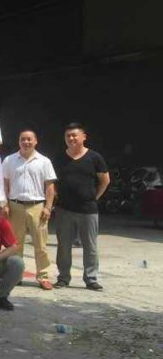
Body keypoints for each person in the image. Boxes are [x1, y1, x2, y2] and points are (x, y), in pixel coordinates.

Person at [54, 123, 109, 291]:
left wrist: (94, 197)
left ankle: (91, 278)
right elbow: (52, 181)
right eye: (68, 136)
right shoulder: (59, 158)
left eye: (74, 135)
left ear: (84, 137)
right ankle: (63, 278)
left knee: (90, 246)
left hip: (88, 210)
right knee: (63, 246)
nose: (71, 138)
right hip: (64, 210)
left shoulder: (94, 157)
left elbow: (105, 180)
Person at [2, 129, 57, 289]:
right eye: (22, 139)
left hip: (37, 206)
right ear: (18, 141)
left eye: (29, 139)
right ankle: (16, 274)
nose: (26, 142)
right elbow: (5, 184)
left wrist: (48, 207)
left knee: (41, 244)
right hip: (15, 205)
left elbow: (49, 186)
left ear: (36, 141)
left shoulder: (44, 161)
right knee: (15, 244)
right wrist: (5, 203)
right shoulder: (9, 160)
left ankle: (44, 276)